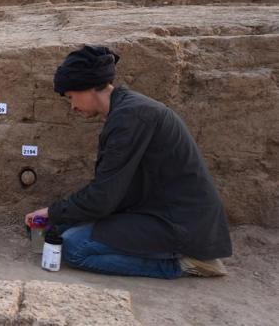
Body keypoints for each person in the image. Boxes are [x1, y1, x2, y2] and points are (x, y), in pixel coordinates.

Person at [25, 45, 232, 279]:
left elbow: (103, 198)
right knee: (56, 230)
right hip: (153, 211)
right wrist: (57, 218)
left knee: (74, 247)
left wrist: (52, 212)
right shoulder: (125, 111)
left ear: (90, 87)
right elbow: (112, 191)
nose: (72, 106)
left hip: (180, 224)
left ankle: (185, 263)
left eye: (72, 97)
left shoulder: (130, 118)